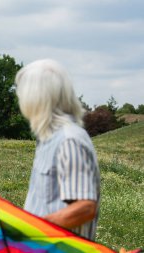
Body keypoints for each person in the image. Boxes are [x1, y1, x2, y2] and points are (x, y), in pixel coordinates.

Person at [15, 59, 101, 240]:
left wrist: (32, 230)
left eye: (22, 93)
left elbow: (85, 207)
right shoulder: (48, 138)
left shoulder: (69, 140)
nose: (20, 99)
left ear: (36, 97)